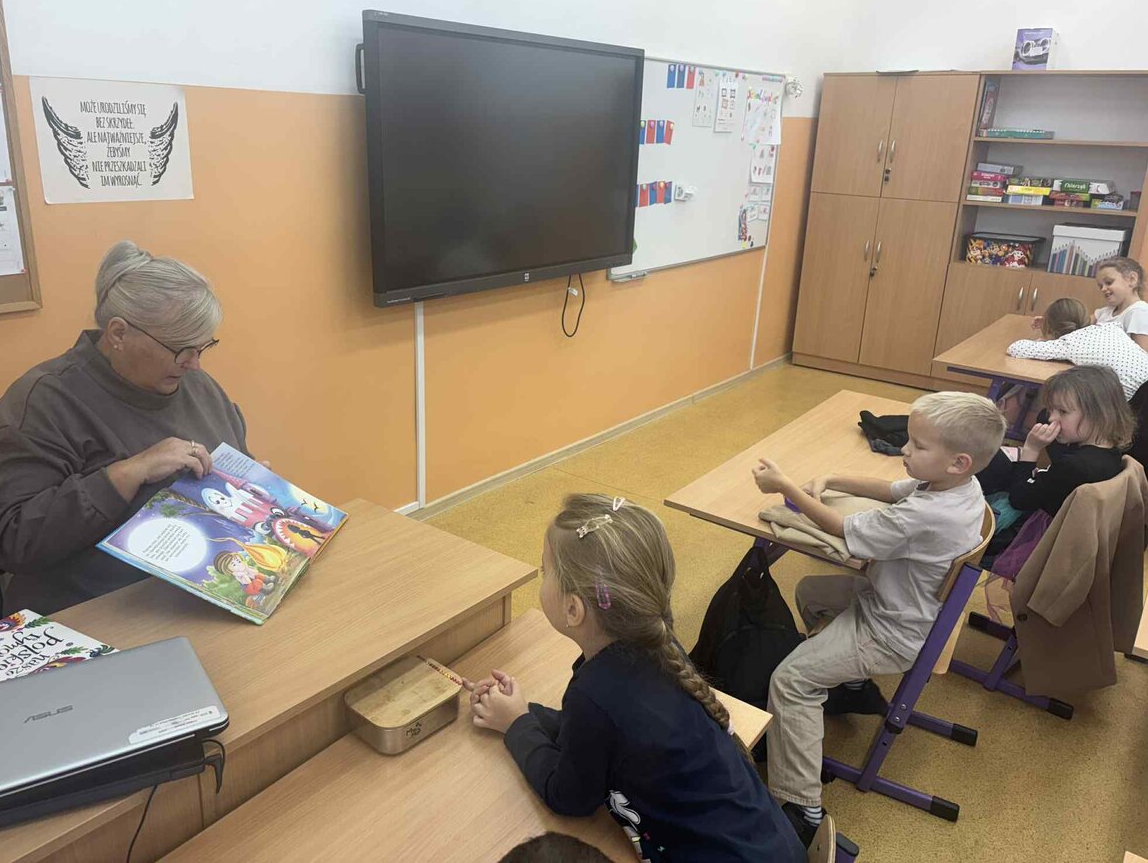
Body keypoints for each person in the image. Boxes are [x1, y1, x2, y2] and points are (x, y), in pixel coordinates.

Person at [465, 494, 804, 863]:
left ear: (573, 609)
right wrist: (522, 713)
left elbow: (569, 797)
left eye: (545, 571)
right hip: (774, 846)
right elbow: (596, 737)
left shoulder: (595, 695)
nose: (542, 577)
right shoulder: (655, 643)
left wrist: (516, 726)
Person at [751, 391, 1005, 848]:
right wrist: (833, 478)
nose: (904, 450)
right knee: (810, 591)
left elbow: (841, 529)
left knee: (790, 680)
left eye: (917, 445)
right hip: (900, 604)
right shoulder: (958, 487)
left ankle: (801, 807)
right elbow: (889, 490)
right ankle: (851, 685)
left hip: (891, 630)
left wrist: (786, 487)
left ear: (958, 462)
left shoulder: (926, 514)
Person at [0, 240, 254, 615]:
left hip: (199, 591)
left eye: (203, 348)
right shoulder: (42, 403)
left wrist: (252, 485)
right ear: (119, 333)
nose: (194, 364)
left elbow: (234, 465)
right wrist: (128, 473)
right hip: (91, 613)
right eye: (181, 349)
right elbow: (13, 541)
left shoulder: (196, 386)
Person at [976, 365, 1133, 554]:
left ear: (1099, 415)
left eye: (1063, 412)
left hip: (1031, 537)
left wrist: (1031, 450)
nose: (1052, 418)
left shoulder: (1074, 466)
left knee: (989, 456)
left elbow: (1019, 499)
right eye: (1051, 410)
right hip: (1056, 519)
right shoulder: (1111, 452)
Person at [1010, 296, 1148, 400]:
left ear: (1052, 327)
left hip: (1131, 405)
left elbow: (1016, 348)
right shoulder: (1111, 327)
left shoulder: (1070, 343)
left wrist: (1047, 335)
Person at [1092, 257, 1148, 351]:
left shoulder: (1140, 312)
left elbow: (1143, 354)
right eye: (1100, 286)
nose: (1103, 289)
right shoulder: (1105, 312)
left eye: (1109, 282)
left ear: (1132, 279)